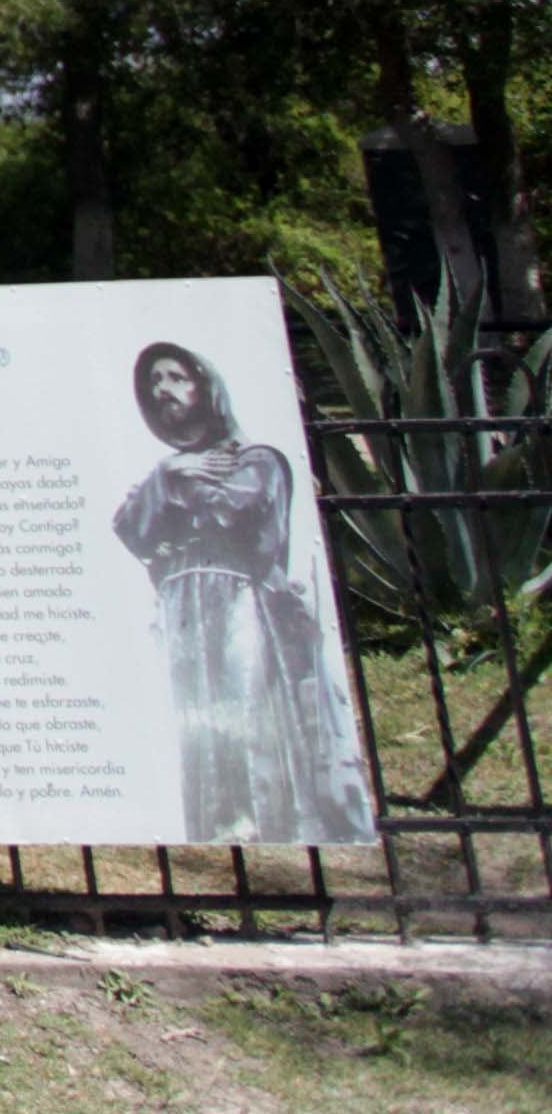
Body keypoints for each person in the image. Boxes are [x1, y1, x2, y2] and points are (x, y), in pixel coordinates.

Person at [108, 341, 374, 845]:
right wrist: (167, 476)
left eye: (176, 377)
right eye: (154, 383)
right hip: (183, 617)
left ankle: (267, 829)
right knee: (197, 727)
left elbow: (237, 522)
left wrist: (182, 490)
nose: (163, 390)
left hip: (242, 610)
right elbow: (128, 528)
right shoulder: (171, 469)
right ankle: (215, 830)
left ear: (206, 386)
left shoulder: (257, 460)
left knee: (248, 719)